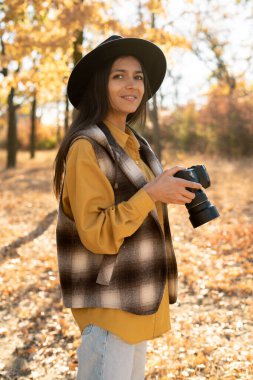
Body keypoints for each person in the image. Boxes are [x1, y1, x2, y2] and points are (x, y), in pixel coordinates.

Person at [53, 35, 202, 380]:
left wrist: (165, 187)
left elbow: (138, 200)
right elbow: (97, 235)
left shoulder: (136, 143)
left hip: (137, 297)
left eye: (137, 76)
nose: (131, 85)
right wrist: (150, 193)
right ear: (99, 84)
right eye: (118, 76)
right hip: (110, 305)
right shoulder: (87, 147)